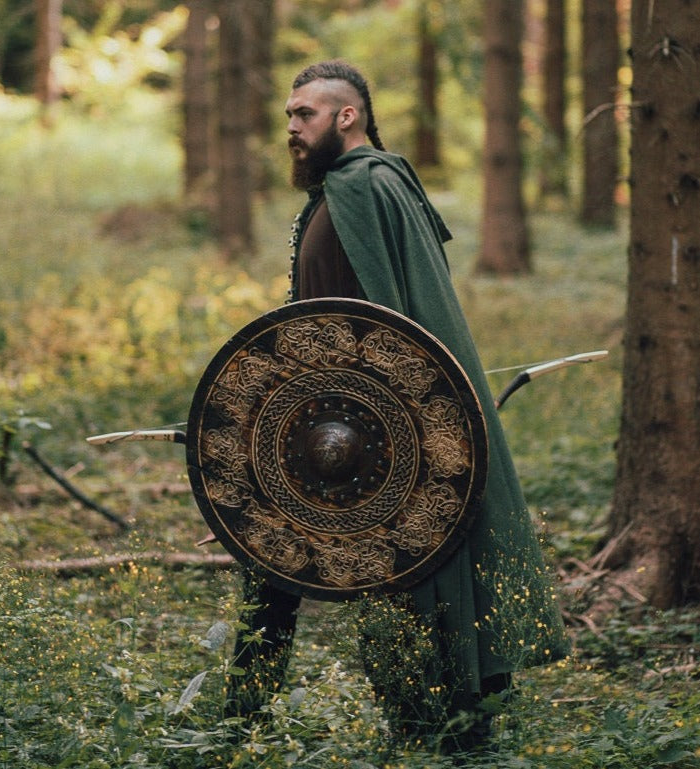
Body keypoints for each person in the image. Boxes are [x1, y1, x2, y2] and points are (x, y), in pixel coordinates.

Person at [225, 60, 568, 746]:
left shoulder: (369, 187)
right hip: (322, 419)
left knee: (397, 570)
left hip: (375, 430)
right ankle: (238, 721)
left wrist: (406, 417)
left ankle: (440, 727)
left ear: (345, 116)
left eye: (306, 114)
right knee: (269, 555)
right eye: (289, 115)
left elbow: (402, 316)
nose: (292, 128)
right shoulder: (336, 191)